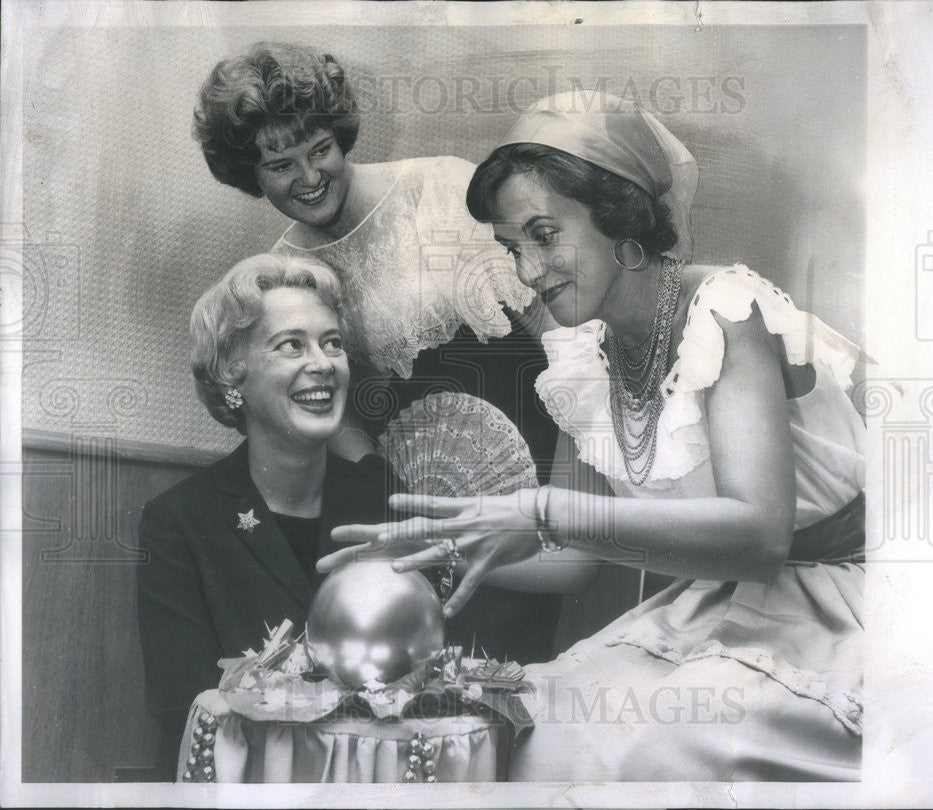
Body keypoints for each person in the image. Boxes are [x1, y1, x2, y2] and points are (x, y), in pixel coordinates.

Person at [319, 91, 866, 781]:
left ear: (617, 213)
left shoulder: (725, 310)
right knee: (530, 718)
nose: (527, 272)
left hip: (839, 607)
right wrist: (443, 548)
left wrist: (542, 510)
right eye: (512, 249)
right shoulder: (584, 361)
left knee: (647, 751)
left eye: (545, 236)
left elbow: (760, 537)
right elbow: (573, 562)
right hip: (716, 607)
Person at [193, 42, 567, 664]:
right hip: (413, 485)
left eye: (320, 150)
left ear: (341, 138)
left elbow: (551, 315)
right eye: (281, 165)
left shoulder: (441, 188)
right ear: (250, 176)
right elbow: (327, 400)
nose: (309, 178)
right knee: (414, 672)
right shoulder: (290, 268)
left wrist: (587, 430)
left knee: (503, 669)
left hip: (531, 454)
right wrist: (375, 479)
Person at [136, 254, 395, 778]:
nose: (322, 362)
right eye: (291, 345)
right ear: (234, 375)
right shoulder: (180, 520)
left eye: (333, 343)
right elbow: (184, 707)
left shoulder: (381, 497)